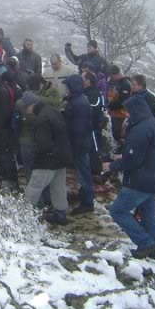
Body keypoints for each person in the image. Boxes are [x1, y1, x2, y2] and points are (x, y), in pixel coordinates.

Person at [106, 95, 155, 259]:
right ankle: (154, 254)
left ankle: (145, 243)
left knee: (118, 211)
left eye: (129, 111)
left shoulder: (140, 129)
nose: (126, 115)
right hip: (154, 178)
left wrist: (112, 166)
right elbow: (147, 152)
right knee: (148, 216)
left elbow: (133, 159)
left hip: (140, 181)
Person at [26, 100, 74, 225]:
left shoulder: (41, 119)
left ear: (32, 105)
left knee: (34, 187)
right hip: (61, 156)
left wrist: (35, 158)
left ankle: (23, 215)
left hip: (48, 160)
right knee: (59, 187)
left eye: (27, 108)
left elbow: (43, 144)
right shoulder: (53, 111)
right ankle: (61, 213)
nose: (27, 112)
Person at [63, 74, 95, 215]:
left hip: (79, 144)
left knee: (84, 175)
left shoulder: (79, 103)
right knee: (83, 173)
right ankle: (84, 197)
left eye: (68, 87)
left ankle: (87, 203)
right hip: (81, 143)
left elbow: (78, 127)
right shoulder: (78, 100)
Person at [13, 76, 45, 178]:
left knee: (29, 169)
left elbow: (15, 124)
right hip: (41, 140)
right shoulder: (43, 100)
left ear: (27, 85)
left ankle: (31, 192)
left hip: (25, 140)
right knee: (41, 169)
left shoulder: (19, 102)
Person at [83, 71, 106, 175]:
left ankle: (98, 171)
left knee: (94, 149)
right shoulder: (86, 91)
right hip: (86, 127)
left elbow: (95, 107)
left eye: (83, 79)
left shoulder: (95, 93)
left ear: (88, 80)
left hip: (93, 127)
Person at [107, 65, 131, 144]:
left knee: (119, 134)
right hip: (114, 113)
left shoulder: (125, 84)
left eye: (111, 75)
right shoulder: (114, 82)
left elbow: (123, 101)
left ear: (115, 74)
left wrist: (110, 106)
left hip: (121, 114)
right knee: (115, 132)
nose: (111, 77)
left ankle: (120, 148)